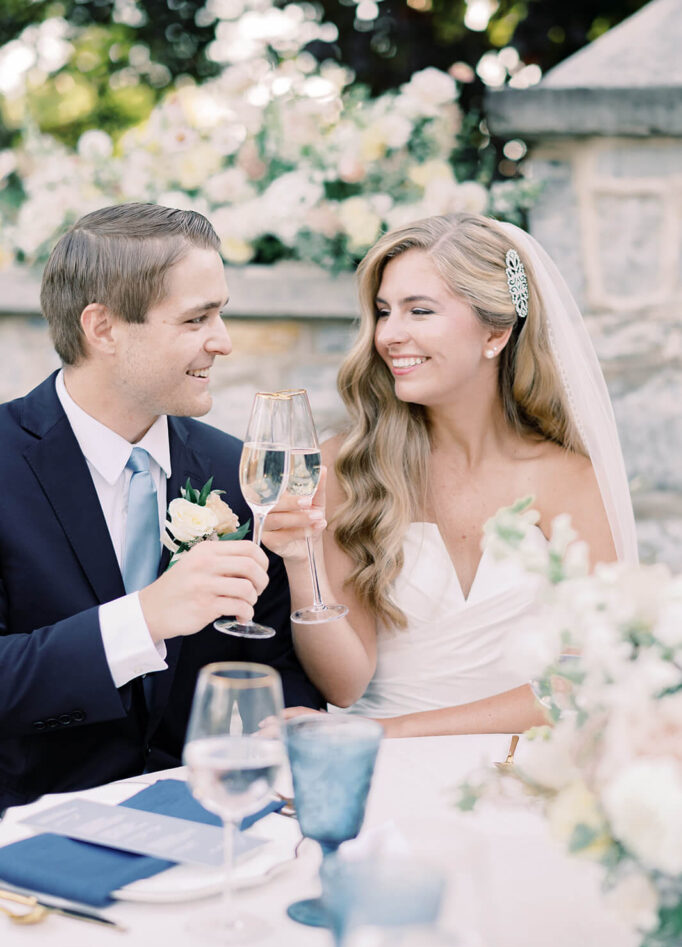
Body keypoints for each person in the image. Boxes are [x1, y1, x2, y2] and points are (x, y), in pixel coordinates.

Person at [263, 213, 638, 737]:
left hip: (522, 769)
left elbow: (586, 678)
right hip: (377, 769)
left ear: (497, 332)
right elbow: (344, 686)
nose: (390, 334)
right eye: (383, 312)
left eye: (419, 311)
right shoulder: (347, 466)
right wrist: (302, 563)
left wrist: (391, 732)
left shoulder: (570, 480)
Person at [0, 202, 320, 811]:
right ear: (104, 329)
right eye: (196, 319)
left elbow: (272, 656)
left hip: (209, 817)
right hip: (27, 835)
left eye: (219, 313)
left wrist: (290, 715)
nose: (222, 342)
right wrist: (144, 619)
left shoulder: (237, 472)